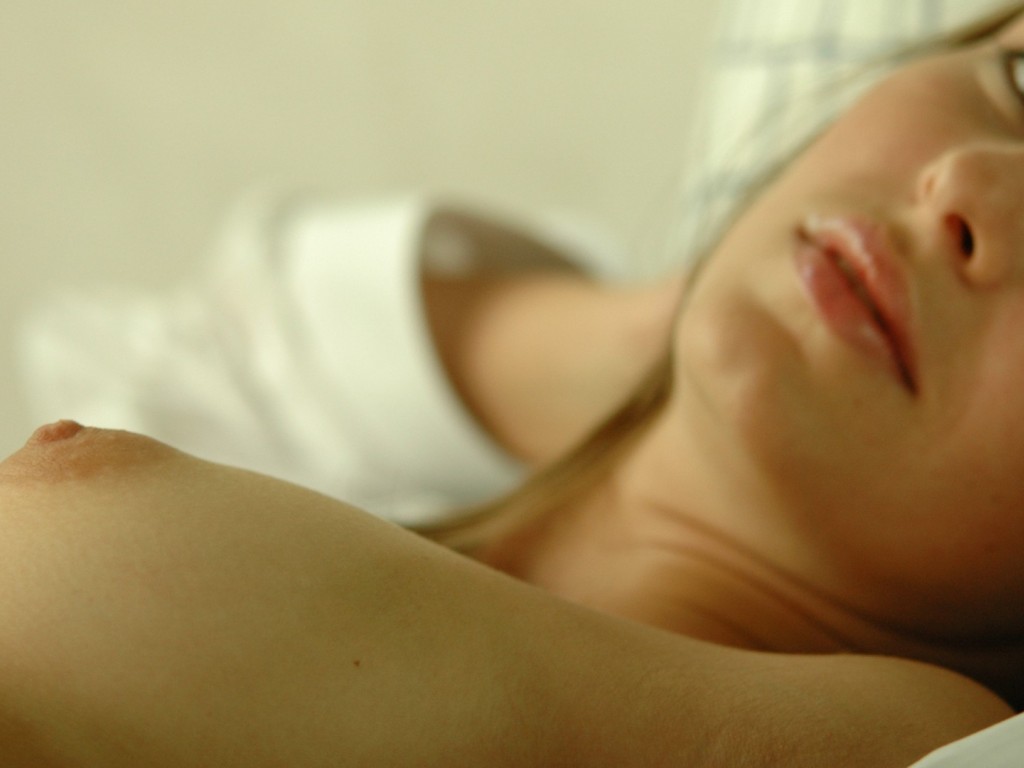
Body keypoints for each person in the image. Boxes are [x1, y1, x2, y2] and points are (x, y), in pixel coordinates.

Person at [10, 0, 1024, 763]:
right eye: (1021, 78)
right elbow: (186, 348)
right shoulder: (355, 484)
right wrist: (666, 335)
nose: (972, 182)